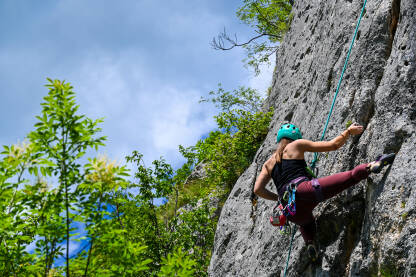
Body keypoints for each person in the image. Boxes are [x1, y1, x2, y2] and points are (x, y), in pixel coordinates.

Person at [253, 123, 395, 260]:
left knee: (306, 224)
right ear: (295, 137)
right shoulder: (296, 145)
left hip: (290, 211)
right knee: (350, 177)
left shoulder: (268, 163)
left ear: (279, 139)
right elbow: (334, 145)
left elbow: (258, 190)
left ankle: (310, 242)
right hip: (305, 190)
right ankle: (371, 166)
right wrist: (348, 132)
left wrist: (278, 198)